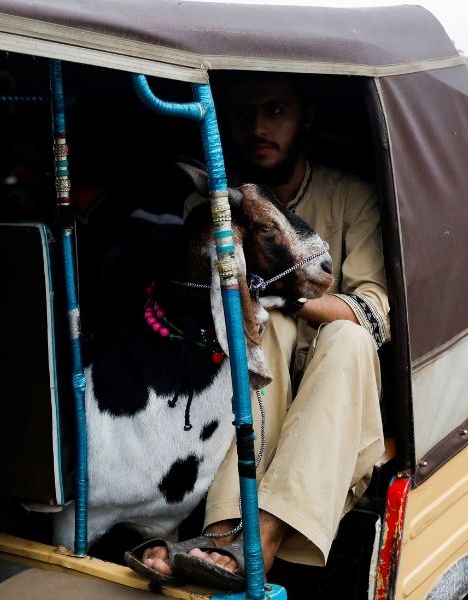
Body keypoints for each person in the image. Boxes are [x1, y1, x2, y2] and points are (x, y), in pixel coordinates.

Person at [130, 73, 389, 588]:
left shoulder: (350, 197)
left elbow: (375, 312)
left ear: (305, 118)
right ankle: (224, 528)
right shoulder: (215, 208)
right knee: (259, 326)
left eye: (275, 111)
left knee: (347, 335)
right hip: (240, 389)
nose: (259, 127)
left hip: (339, 393)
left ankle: (263, 536)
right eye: (246, 114)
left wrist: (289, 296)